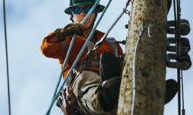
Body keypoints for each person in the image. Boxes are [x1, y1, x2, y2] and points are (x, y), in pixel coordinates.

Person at [41, 0, 177, 115]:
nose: (83, 13)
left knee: (132, 63)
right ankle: (106, 96)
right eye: (77, 10)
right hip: (84, 85)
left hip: (113, 83)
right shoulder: (68, 40)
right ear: (72, 14)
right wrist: (61, 34)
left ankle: (149, 88)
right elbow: (47, 49)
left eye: (88, 9)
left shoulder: (109, 42)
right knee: (86, 79)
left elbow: (125, 62)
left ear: (95, 13)